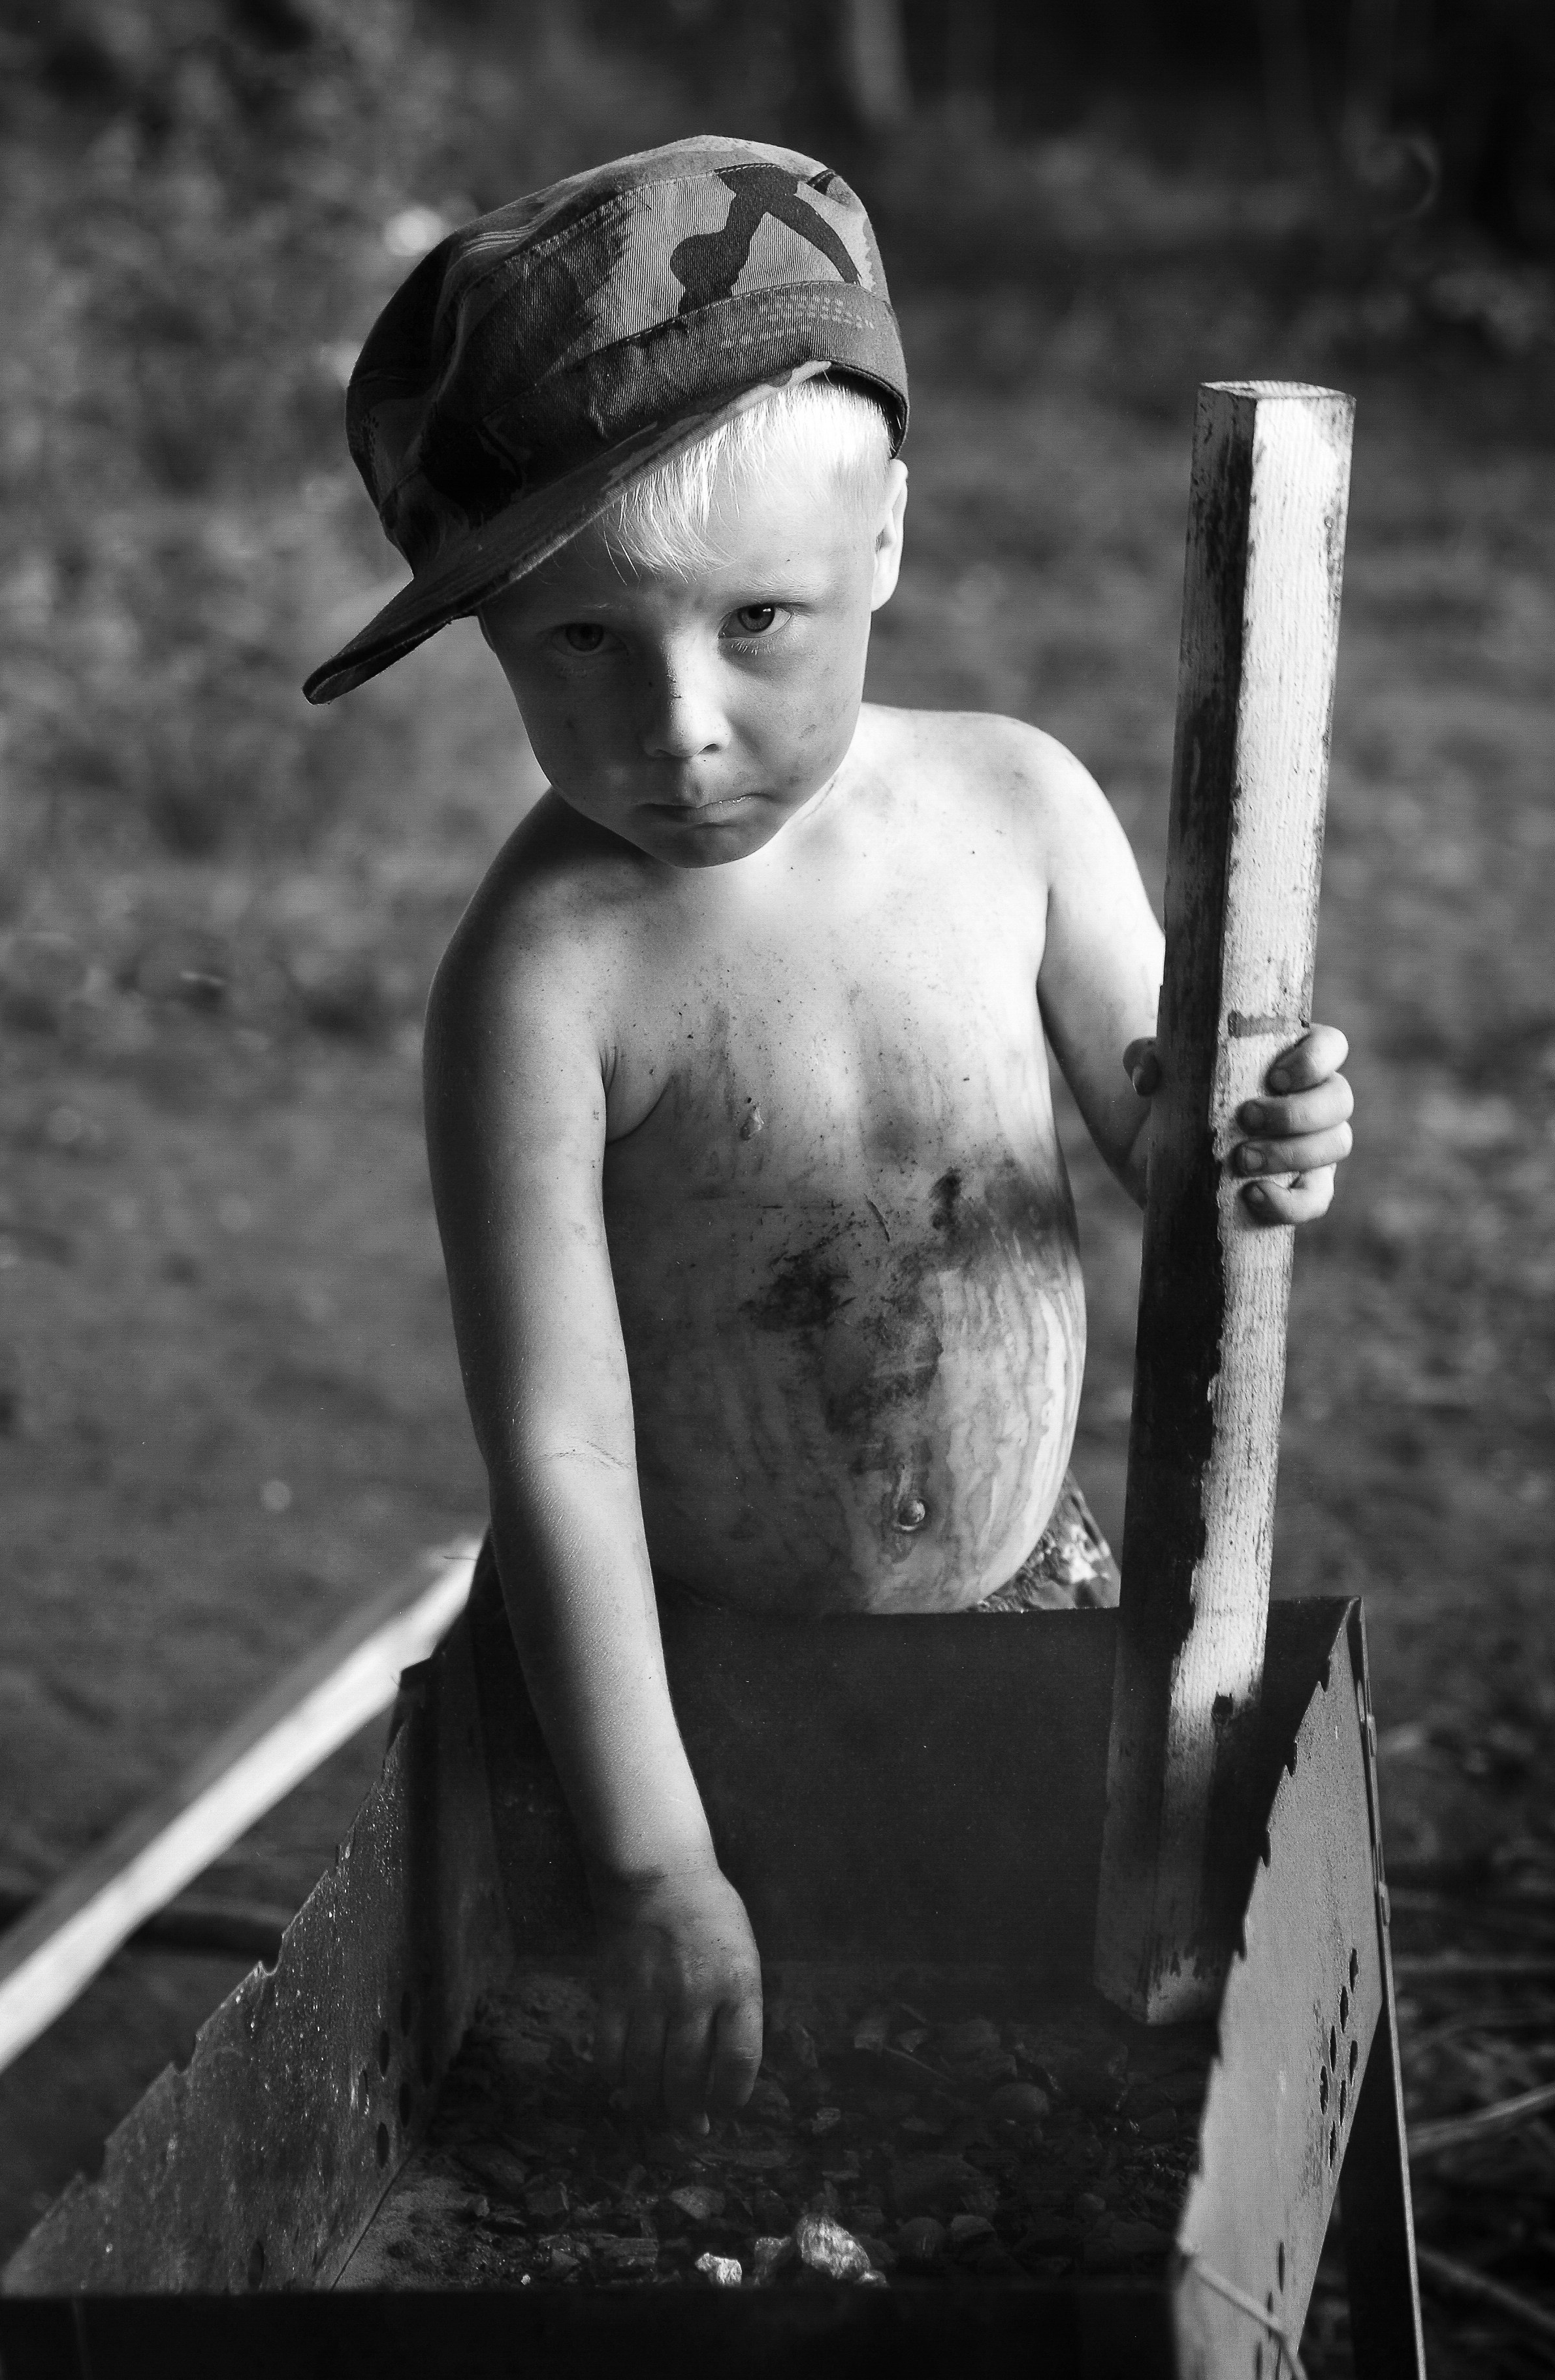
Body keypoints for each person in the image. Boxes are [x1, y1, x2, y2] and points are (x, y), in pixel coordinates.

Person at [304, 137, 1355, 2138]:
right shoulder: (543, 978)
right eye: (580, 647)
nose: (678, 726)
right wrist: (647, 1858)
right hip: (677, 1684)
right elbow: (561, 1441)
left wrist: (1263, 1129)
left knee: (1021, 2070)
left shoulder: (1018, 815)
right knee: (700, 2123)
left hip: (1024, 1604)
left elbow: (1179, 1139)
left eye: (759, 621)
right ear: (495, 642)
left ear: (884, 537)